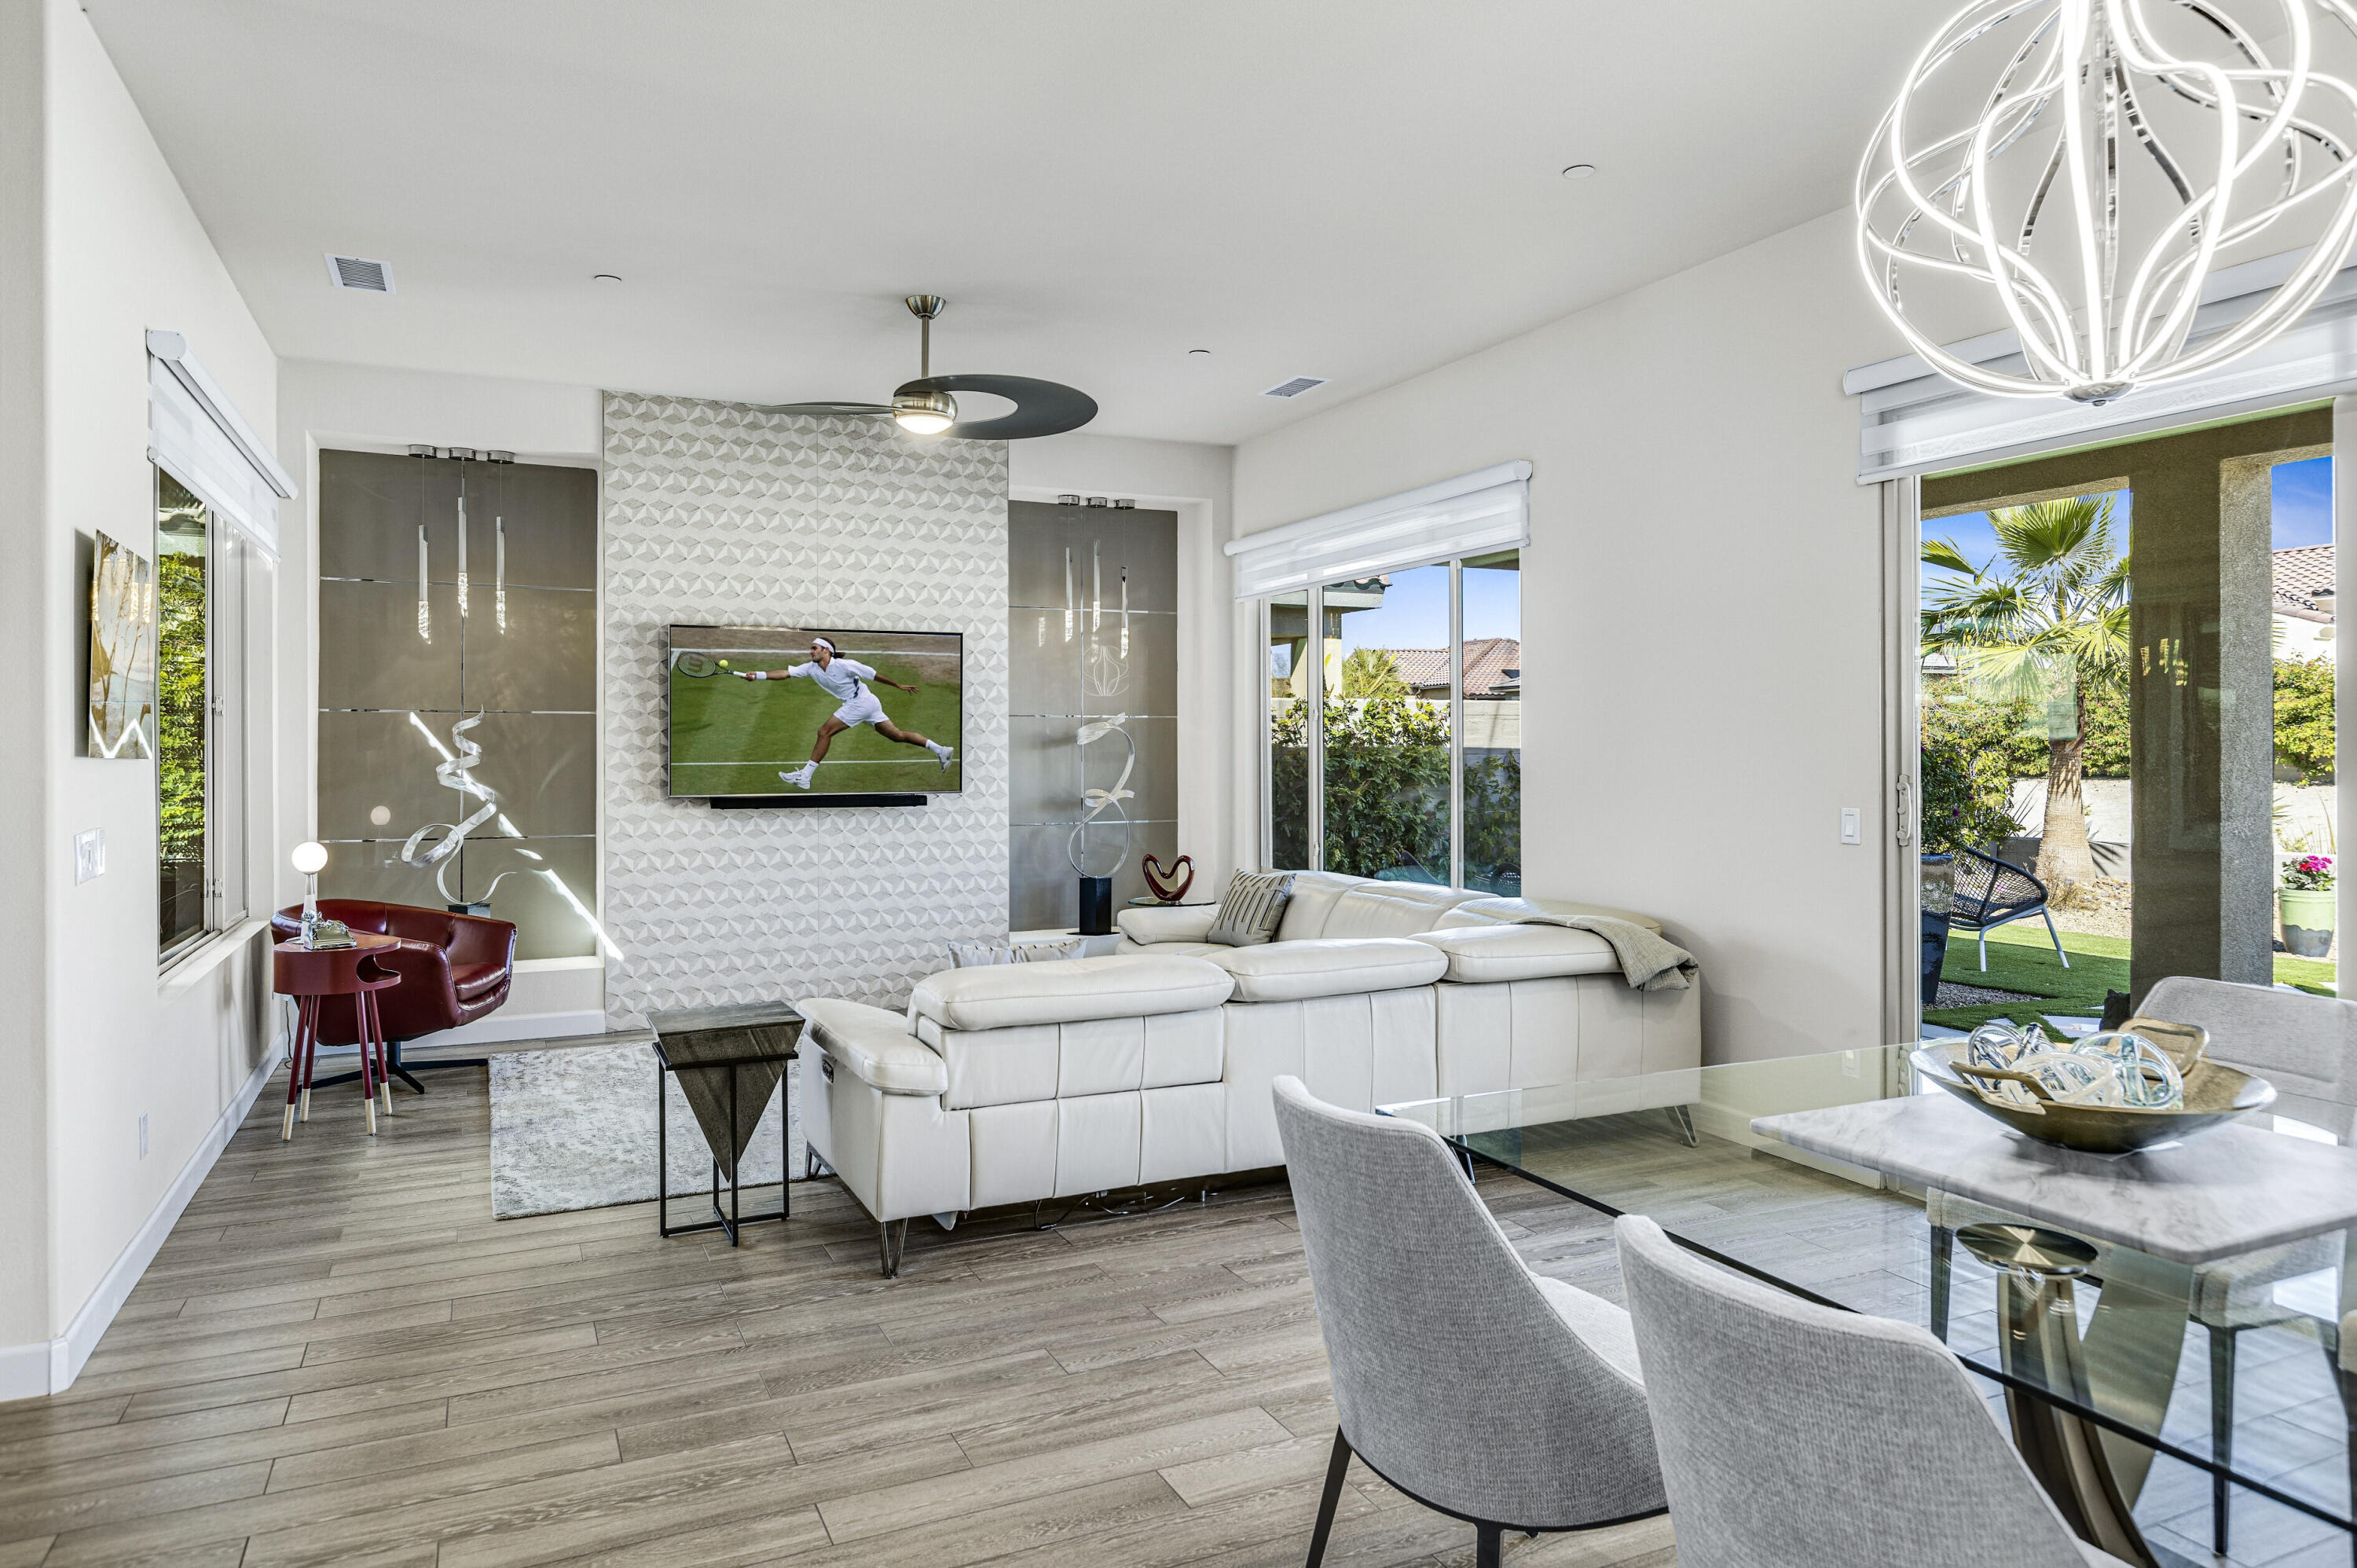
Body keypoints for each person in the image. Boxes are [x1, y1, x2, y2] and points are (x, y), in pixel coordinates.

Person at [734, 636, 954, 788]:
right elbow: (785, 673)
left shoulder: (845, 665)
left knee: (824, 732)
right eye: (811, 649)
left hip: (861, 703)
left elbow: (873, 674)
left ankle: (806, 776)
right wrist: (759, 675)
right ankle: (941, 750)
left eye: (814, 648)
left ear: (825, 651)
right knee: (896, 736)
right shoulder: (811, 668)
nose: (810, 651)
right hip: (866, 703)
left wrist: (898, 685)